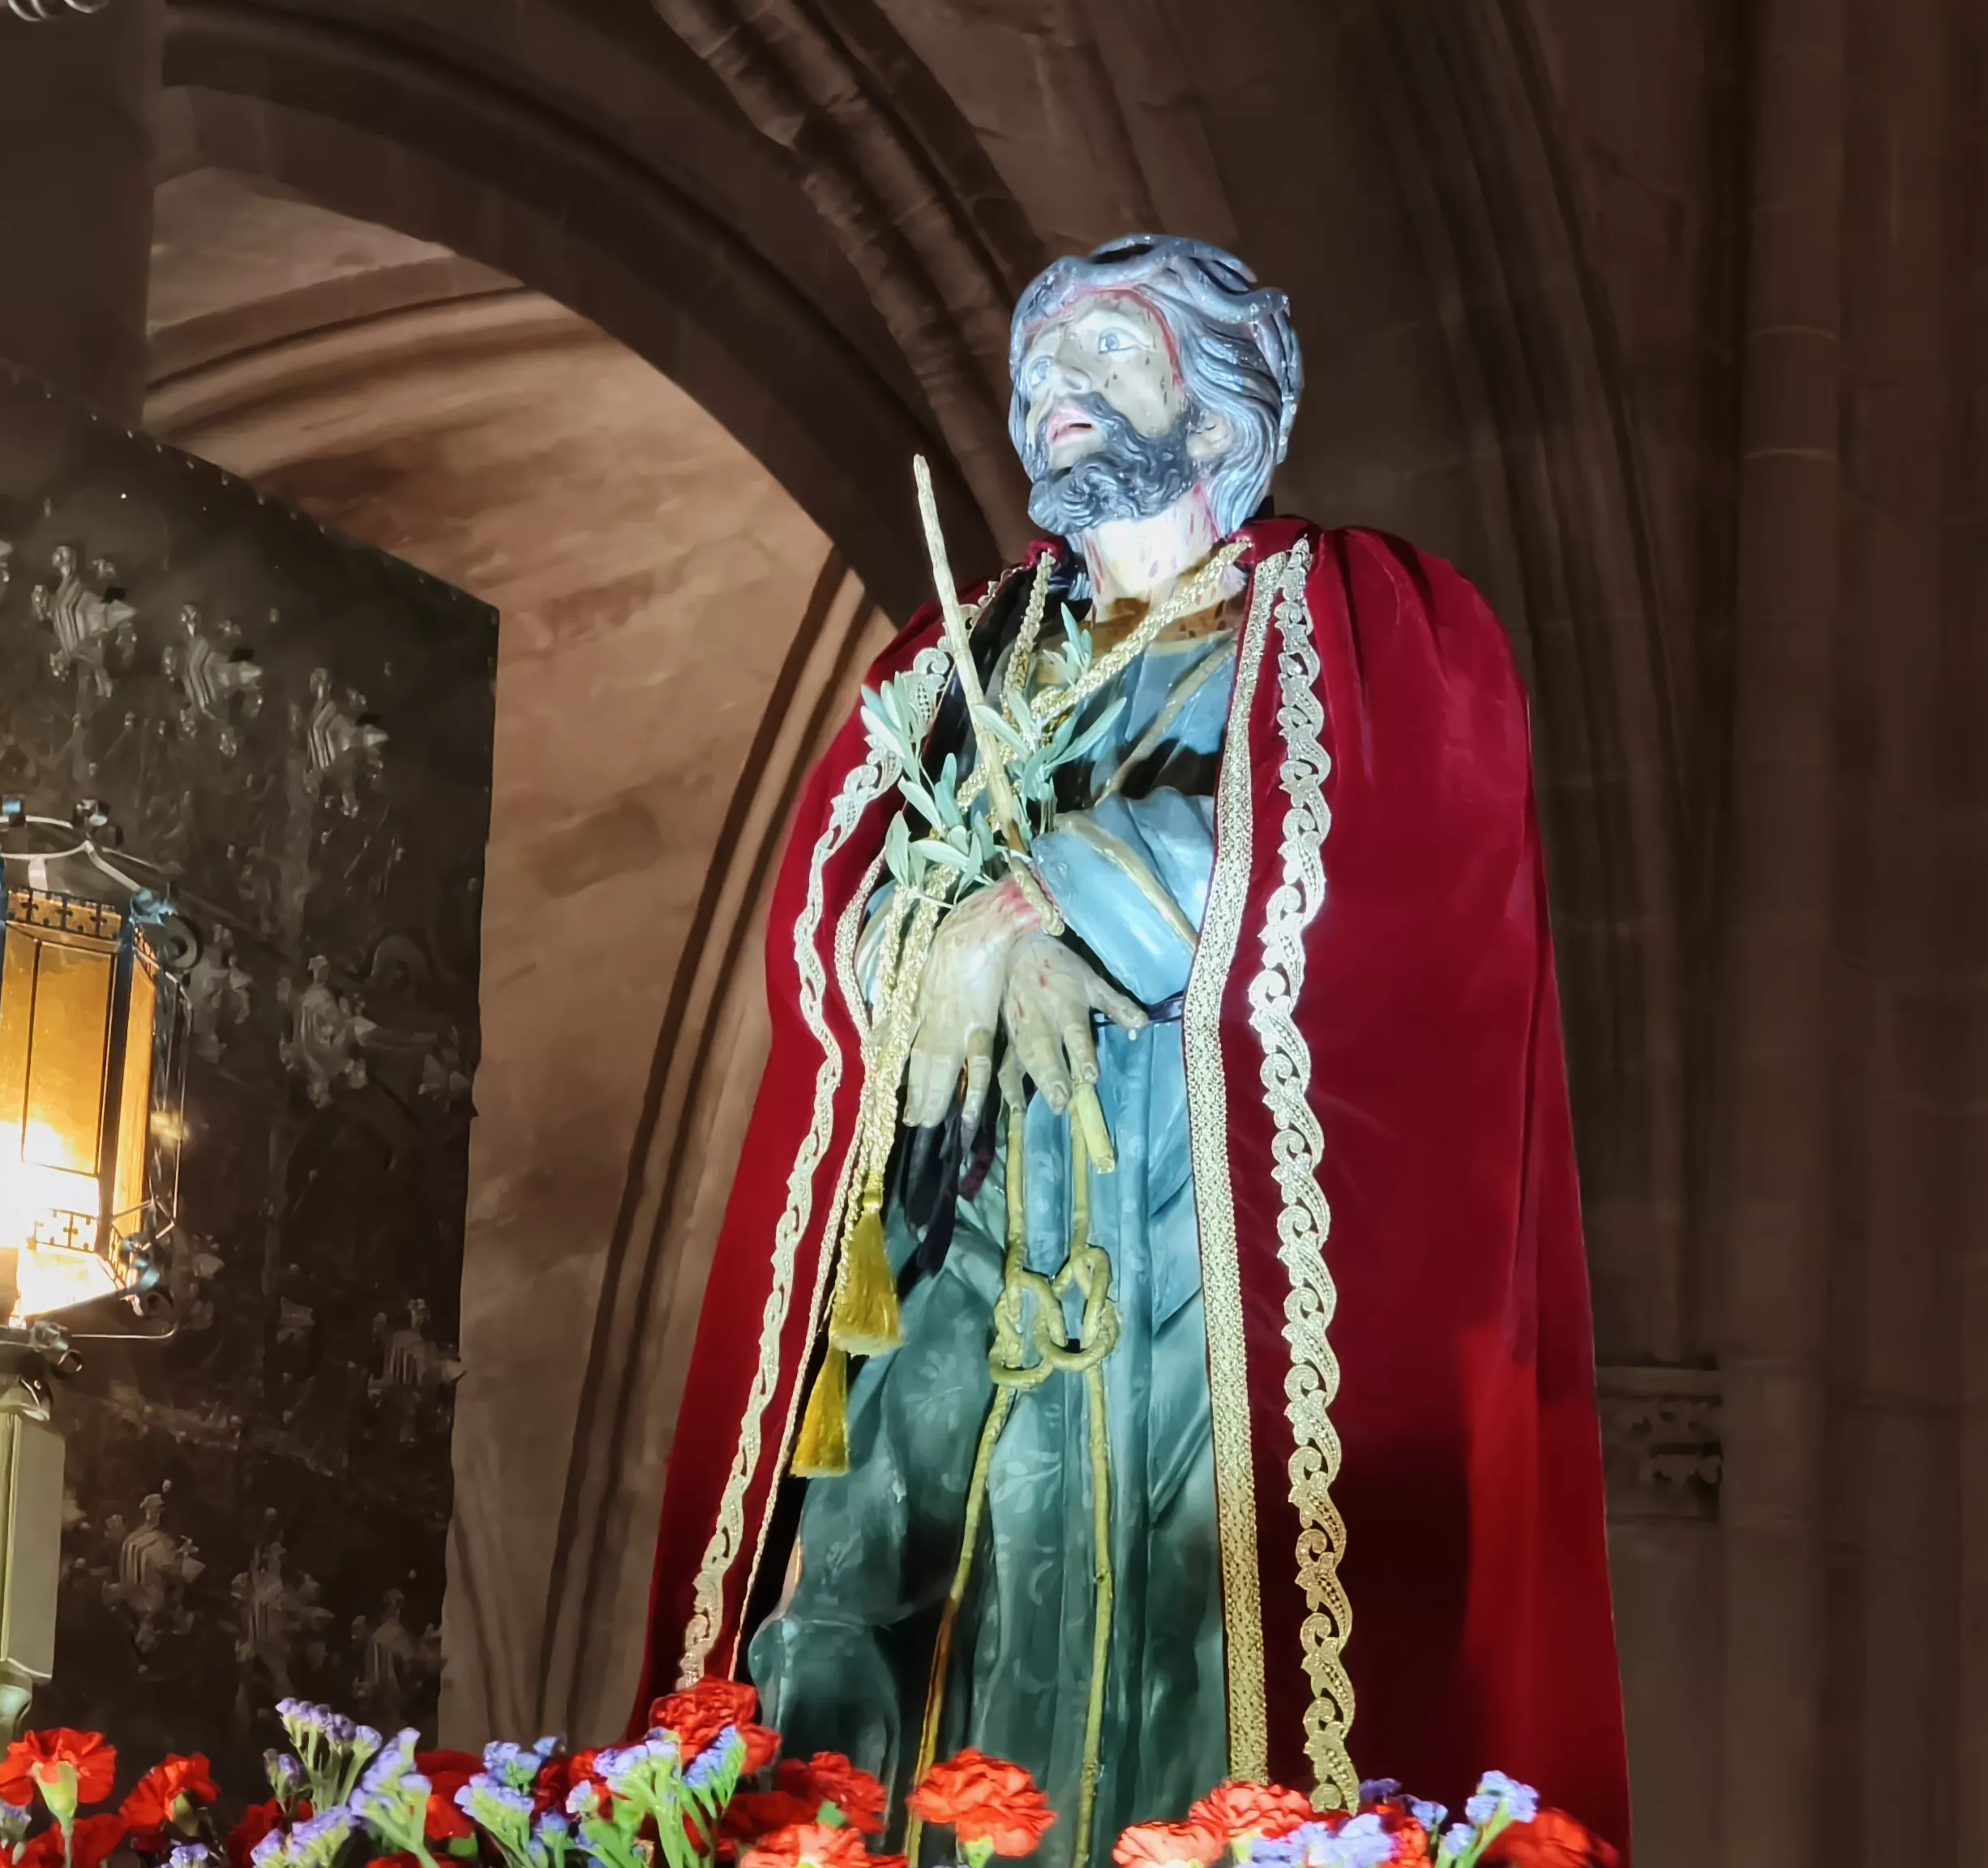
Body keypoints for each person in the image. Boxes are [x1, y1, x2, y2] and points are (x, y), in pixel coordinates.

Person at [644, 235, 1625, 1857]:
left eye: (1109, 356)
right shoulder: (957, 661)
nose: (1053, 392)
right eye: (1038, 368)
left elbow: (1381, 855)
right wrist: (939, 958)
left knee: (1157, 1619)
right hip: (948, 1226)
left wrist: (1041, 903)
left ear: (1228, 421)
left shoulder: (1352, 626)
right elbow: (828, 914)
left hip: (1177, 1249)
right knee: (870, 1608)